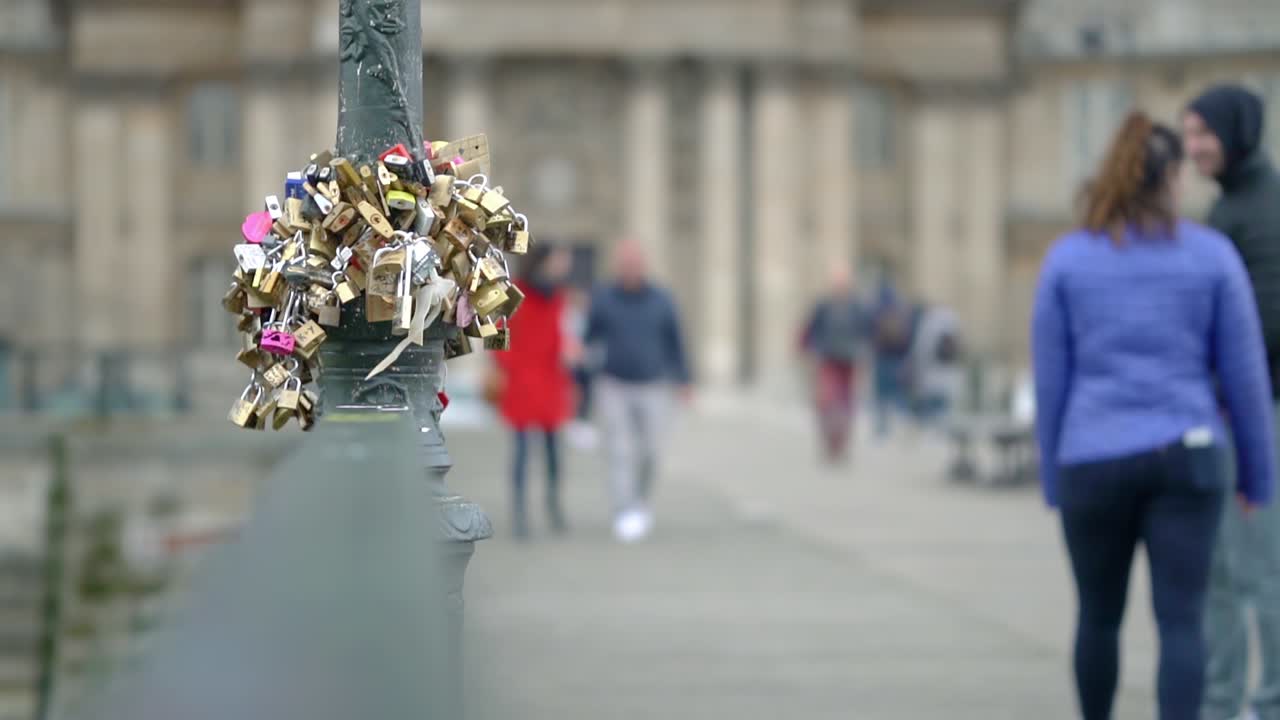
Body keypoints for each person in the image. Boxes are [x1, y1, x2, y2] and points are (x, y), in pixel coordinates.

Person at [1032, 111, 1275, 720]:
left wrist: (1053, 475)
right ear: (1170, 177)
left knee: (1097, 616)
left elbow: (1051, 380)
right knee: (1181, 621)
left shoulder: (1067, 259)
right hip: (1187, 454)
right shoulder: (1212, 256)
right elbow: (1246, 380)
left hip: (1092, 456)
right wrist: (1257, 478)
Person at [1185, 84, 1280, 720]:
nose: (1193, 148)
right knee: (1219, 569)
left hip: (1259, 413)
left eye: (1203, 134)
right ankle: (1220, 700)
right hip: (1226, 411)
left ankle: (1270, 699)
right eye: (1187, 135)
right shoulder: (1231, 208)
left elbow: (1267, 325)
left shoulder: (1263, 211)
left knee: (1261, 571)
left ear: (1235, 132)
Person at [585, 240, 691, 543]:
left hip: (654, 384)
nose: (630, 268)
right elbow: (590, 336)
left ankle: (640, 500)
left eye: (634, 263)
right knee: (619, 451)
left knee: (651, 452)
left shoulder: (662, 299)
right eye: (625, 263)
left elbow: (676, 340)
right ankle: (624, 509)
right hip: (614, 383)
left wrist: (684, 379)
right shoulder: (604, 298)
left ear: (643, 266)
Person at [491, 244, 577, 539]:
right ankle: (520, 513)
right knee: (522, 452)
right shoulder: (514, 293)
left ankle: (553, 505)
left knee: (554, 452)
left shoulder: (559, 297)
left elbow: (561, 335)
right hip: (522, 382)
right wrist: (506, 365)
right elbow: (496, 334)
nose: (563, 268)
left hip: (551, 381)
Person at [800, 266, 868, 463]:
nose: (840, 288)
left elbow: (865, 332)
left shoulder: (856, 307)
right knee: (827, 401)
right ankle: (830, 441)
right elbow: (811, 330)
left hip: (849, 360)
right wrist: (812, 350)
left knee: (846, 403)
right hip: (828, 358)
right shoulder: (824, 306)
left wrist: (862, 352)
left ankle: (842, 442)